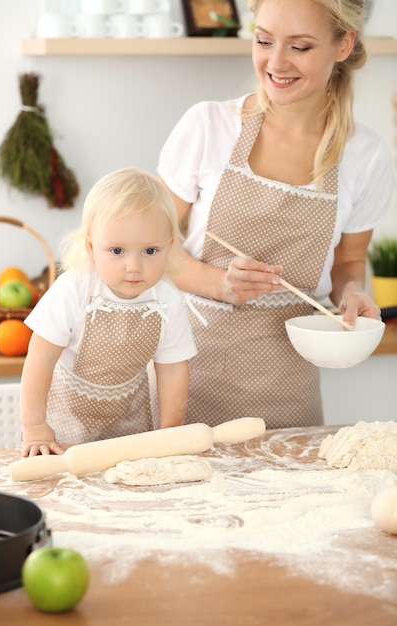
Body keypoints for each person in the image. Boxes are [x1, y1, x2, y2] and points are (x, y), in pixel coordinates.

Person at [157, 0, 394, 429]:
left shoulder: (366, 154)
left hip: (288, 385)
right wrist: (219, 283)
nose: (276, 62)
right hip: (182, 367)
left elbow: (348, 261)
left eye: (300, 47)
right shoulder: (208, 126)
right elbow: (151, 247)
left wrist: (353, 294)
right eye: (264, 40)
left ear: (344, 44)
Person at [20, 167, 197, 457]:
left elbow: (174, 369)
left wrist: (170, 433)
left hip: (128, 423)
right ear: (92, 247)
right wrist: (35, 426)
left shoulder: (168, 300)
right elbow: (41, 357)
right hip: (63, 427)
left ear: (169, 248)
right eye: (117, 251)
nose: (134, 266)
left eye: (150, 251)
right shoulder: (73, 289)